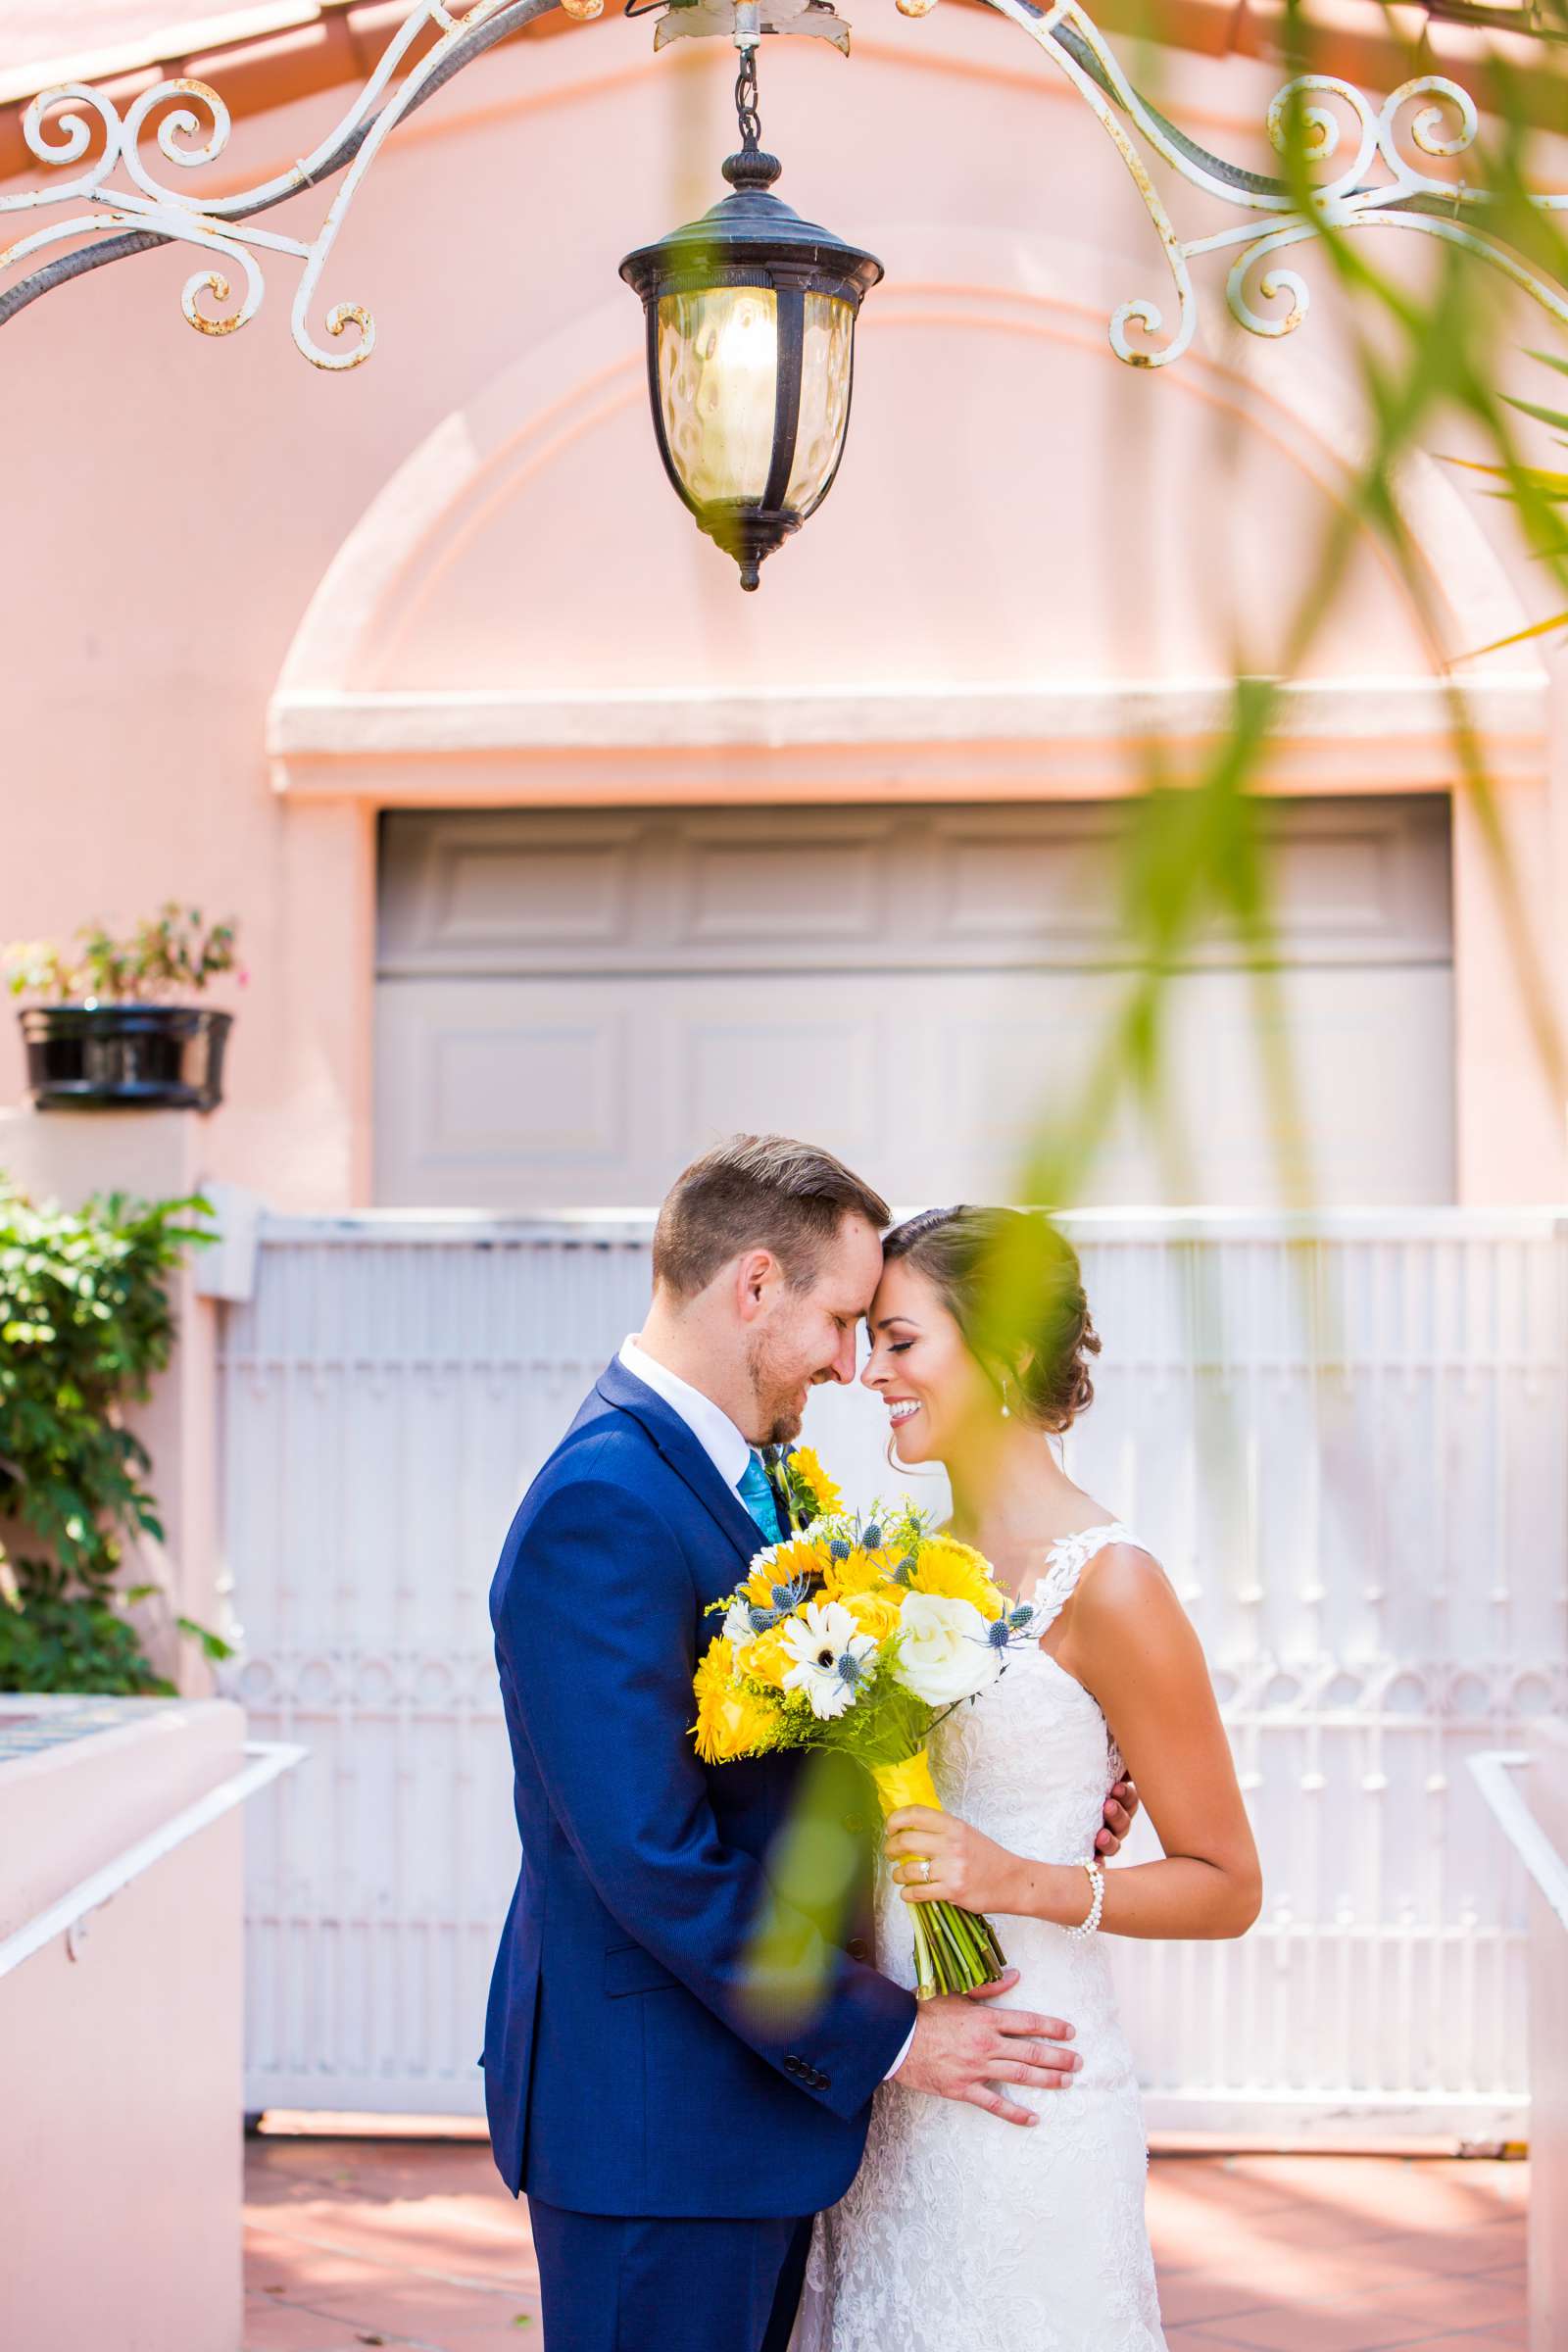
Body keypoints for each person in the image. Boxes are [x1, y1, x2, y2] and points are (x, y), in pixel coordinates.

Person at [482, 1140, 1139, 2352]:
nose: (849, 1367)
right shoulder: (604, 1504)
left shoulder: (754, 1478)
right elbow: (652, 1858)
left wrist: (1060, 1764)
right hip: (656, 2129)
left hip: (759, 2117)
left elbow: (827, 1732)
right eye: (841, 1322)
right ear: (752, 1285)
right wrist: (889, 2033)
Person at [796, 1204, 1262, 2352]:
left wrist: (1024, 1875)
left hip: (1026, 2080)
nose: (869, 1373)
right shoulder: (892, 1571)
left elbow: (1225, 1883)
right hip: (900, 2076)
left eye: (901, 1341)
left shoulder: (1110, 1587)